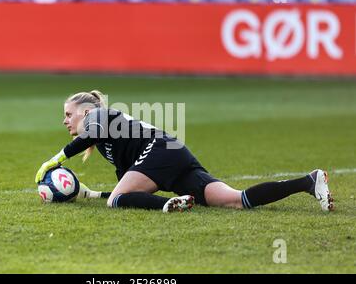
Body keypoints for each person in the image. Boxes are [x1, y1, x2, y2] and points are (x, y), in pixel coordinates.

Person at [35, 90, 334, 213]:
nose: (64, 120)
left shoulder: (101, 117)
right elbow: (128, 186)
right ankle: (308, 182)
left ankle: (170, 205)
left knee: (117, 201)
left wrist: (56, 159)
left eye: (68, 114)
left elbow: (93, 137)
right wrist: (92, 195)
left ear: (86, 112)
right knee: (234, 201)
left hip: (160, 151)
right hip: (171, 155)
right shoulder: (103, 140)